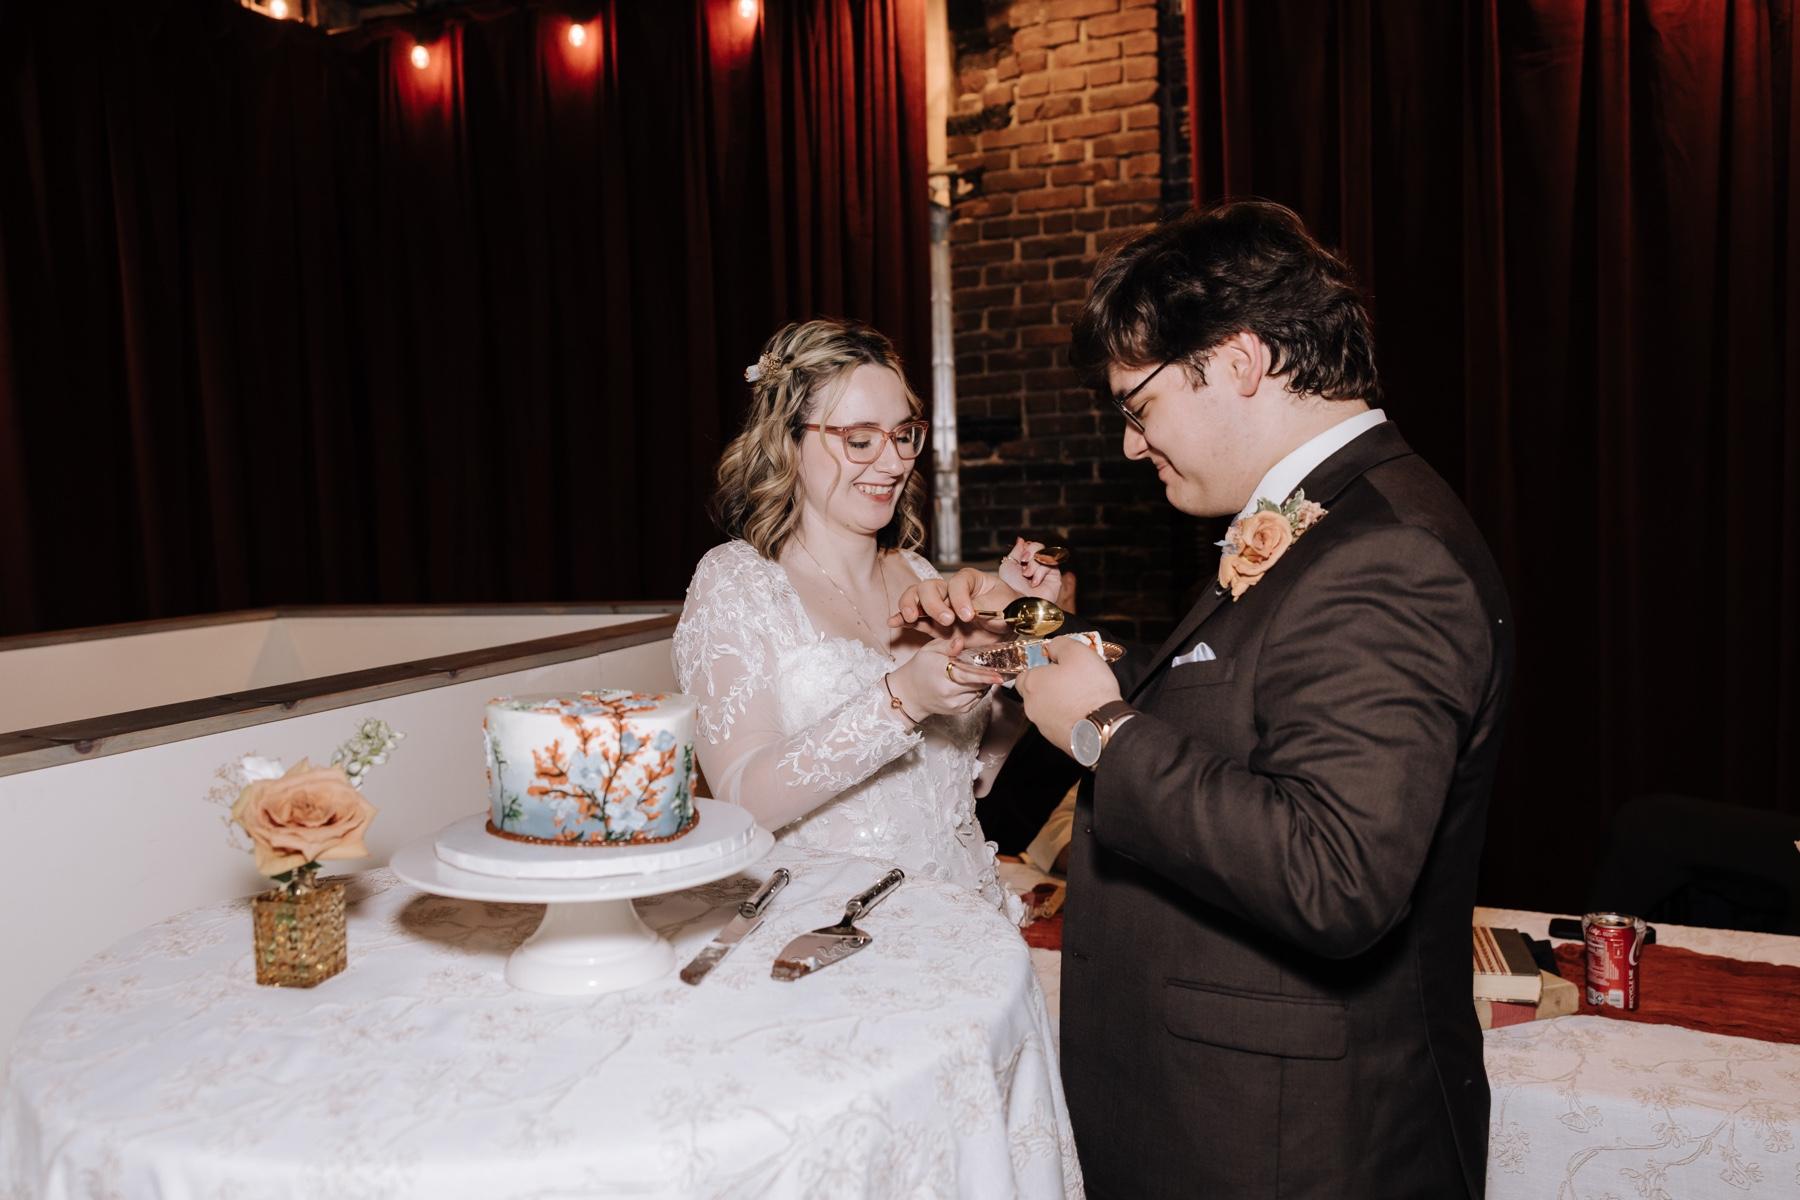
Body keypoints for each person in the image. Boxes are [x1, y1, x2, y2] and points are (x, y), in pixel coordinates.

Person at [893, 200, 1515, 1197]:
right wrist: (1033, 626)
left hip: (1291, 1144)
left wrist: (1101, 732)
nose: (1131, 446)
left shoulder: (1388, 552)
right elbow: (1213, 687)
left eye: (1137, 407)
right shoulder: (1326, 516)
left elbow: (1334, 874)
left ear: (1238, 361)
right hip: (1231, 1116)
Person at [673, 318, 1059, 919]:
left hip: (963, 913)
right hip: (828, 922)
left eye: (904, 435)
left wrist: (1008, 642)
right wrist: (901, 699)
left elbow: (972, 778)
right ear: (789, 440)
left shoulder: (918, 573)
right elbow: (742, 801)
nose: (893, 461)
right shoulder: (738, 584)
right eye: (860, 440)